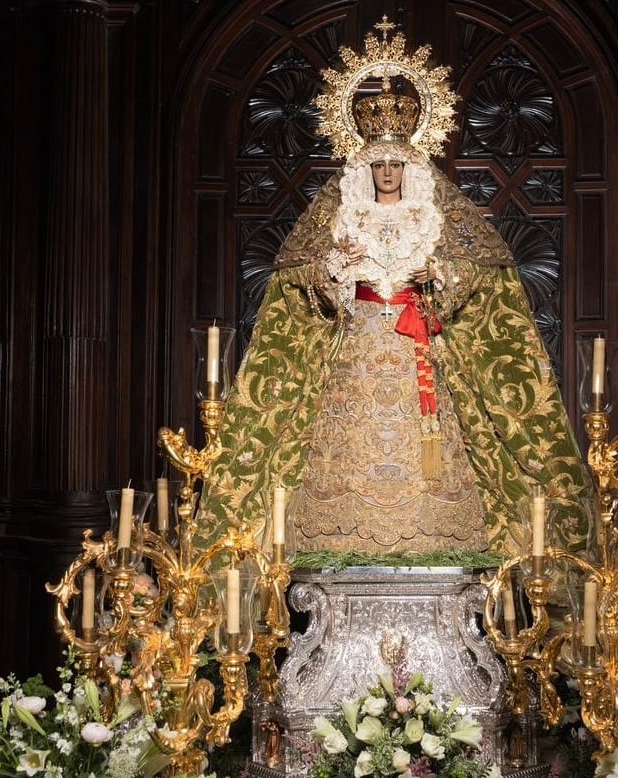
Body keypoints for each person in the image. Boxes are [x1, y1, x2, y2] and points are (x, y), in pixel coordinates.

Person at [196, 24, 592, 558]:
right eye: (378, 164)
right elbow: (302, 276)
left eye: (395, 163)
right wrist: (336, 267)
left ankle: (429, 539)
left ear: (411, 163)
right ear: (366, 167)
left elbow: (481, 272)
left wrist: (440, 276)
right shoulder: (343, 214)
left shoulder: (434, 215)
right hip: (358, 347)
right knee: (349, 448)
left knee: (428, 447)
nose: (386, 172)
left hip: (416, 348)